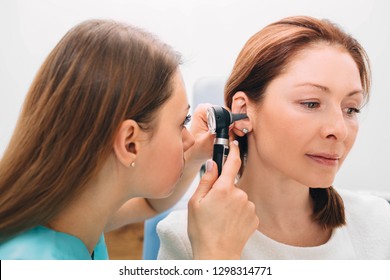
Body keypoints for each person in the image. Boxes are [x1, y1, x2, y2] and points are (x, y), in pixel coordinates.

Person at [0, 19, 259, 260]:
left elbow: (149, 204)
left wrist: (192, 157)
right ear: (130, 143)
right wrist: (216, 252)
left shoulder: (70, 216)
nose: (188, 139)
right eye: (182, 123)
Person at [157, 16, 390, 259]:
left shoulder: (378, 224)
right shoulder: (187, 238)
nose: (339, 130)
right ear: (244, 111)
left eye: (351, 109)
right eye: (311, 103)